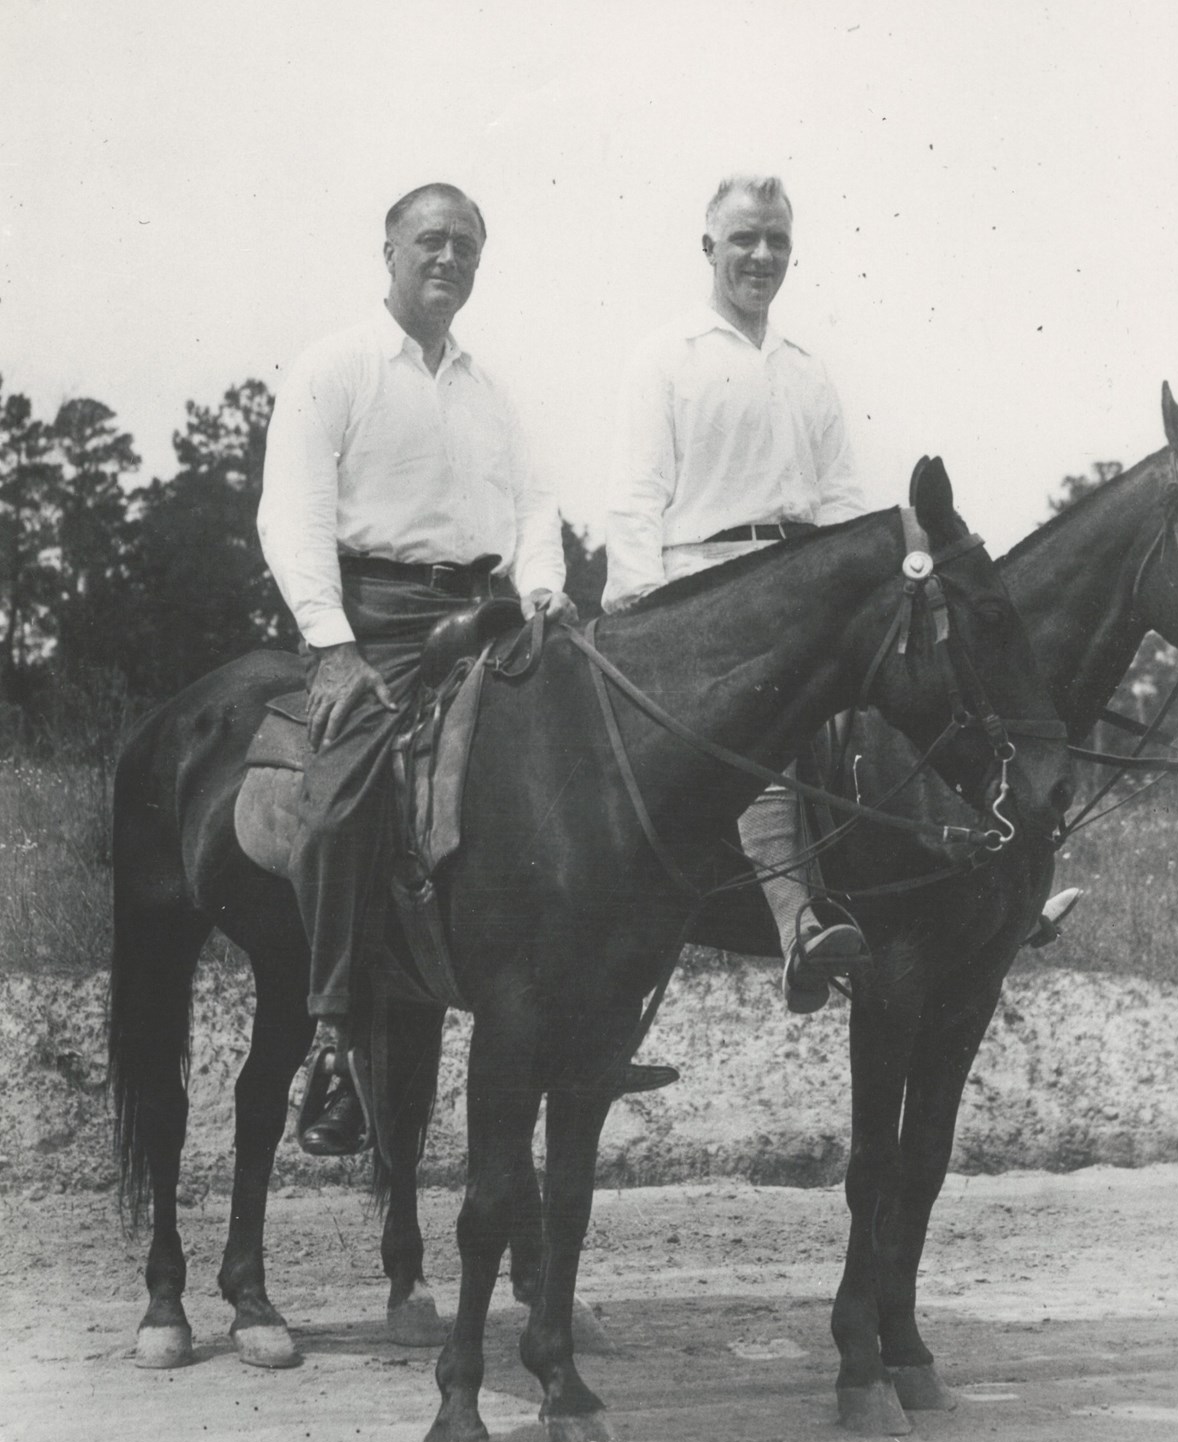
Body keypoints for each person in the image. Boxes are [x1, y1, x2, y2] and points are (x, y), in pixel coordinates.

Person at [258, 182, 575, 1154]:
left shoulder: (491, 390)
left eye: (467, 246)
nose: (449, 258)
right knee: (344, 795)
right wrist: (332, 644)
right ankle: (333, 1033)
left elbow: (535, 505)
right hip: (380, 618)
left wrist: (544, 590)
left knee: (591, 767)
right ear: (389, 251)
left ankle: (585, 1015)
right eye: (431, 240)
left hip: (488, 612)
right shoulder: (336, 368)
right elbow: (292, 512)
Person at [603, 174, 868, 1012]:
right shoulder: (667, 356)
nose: (762, 255)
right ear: (708, 246)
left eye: (777, 240)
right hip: (705, 593)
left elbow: (842, 502)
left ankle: (965, 887)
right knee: (771, 711)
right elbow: (637, 492)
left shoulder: (806, 369)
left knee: (910, 680)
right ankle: (797, 928)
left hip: (803, 584)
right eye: (745, 238)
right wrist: (641, 604)